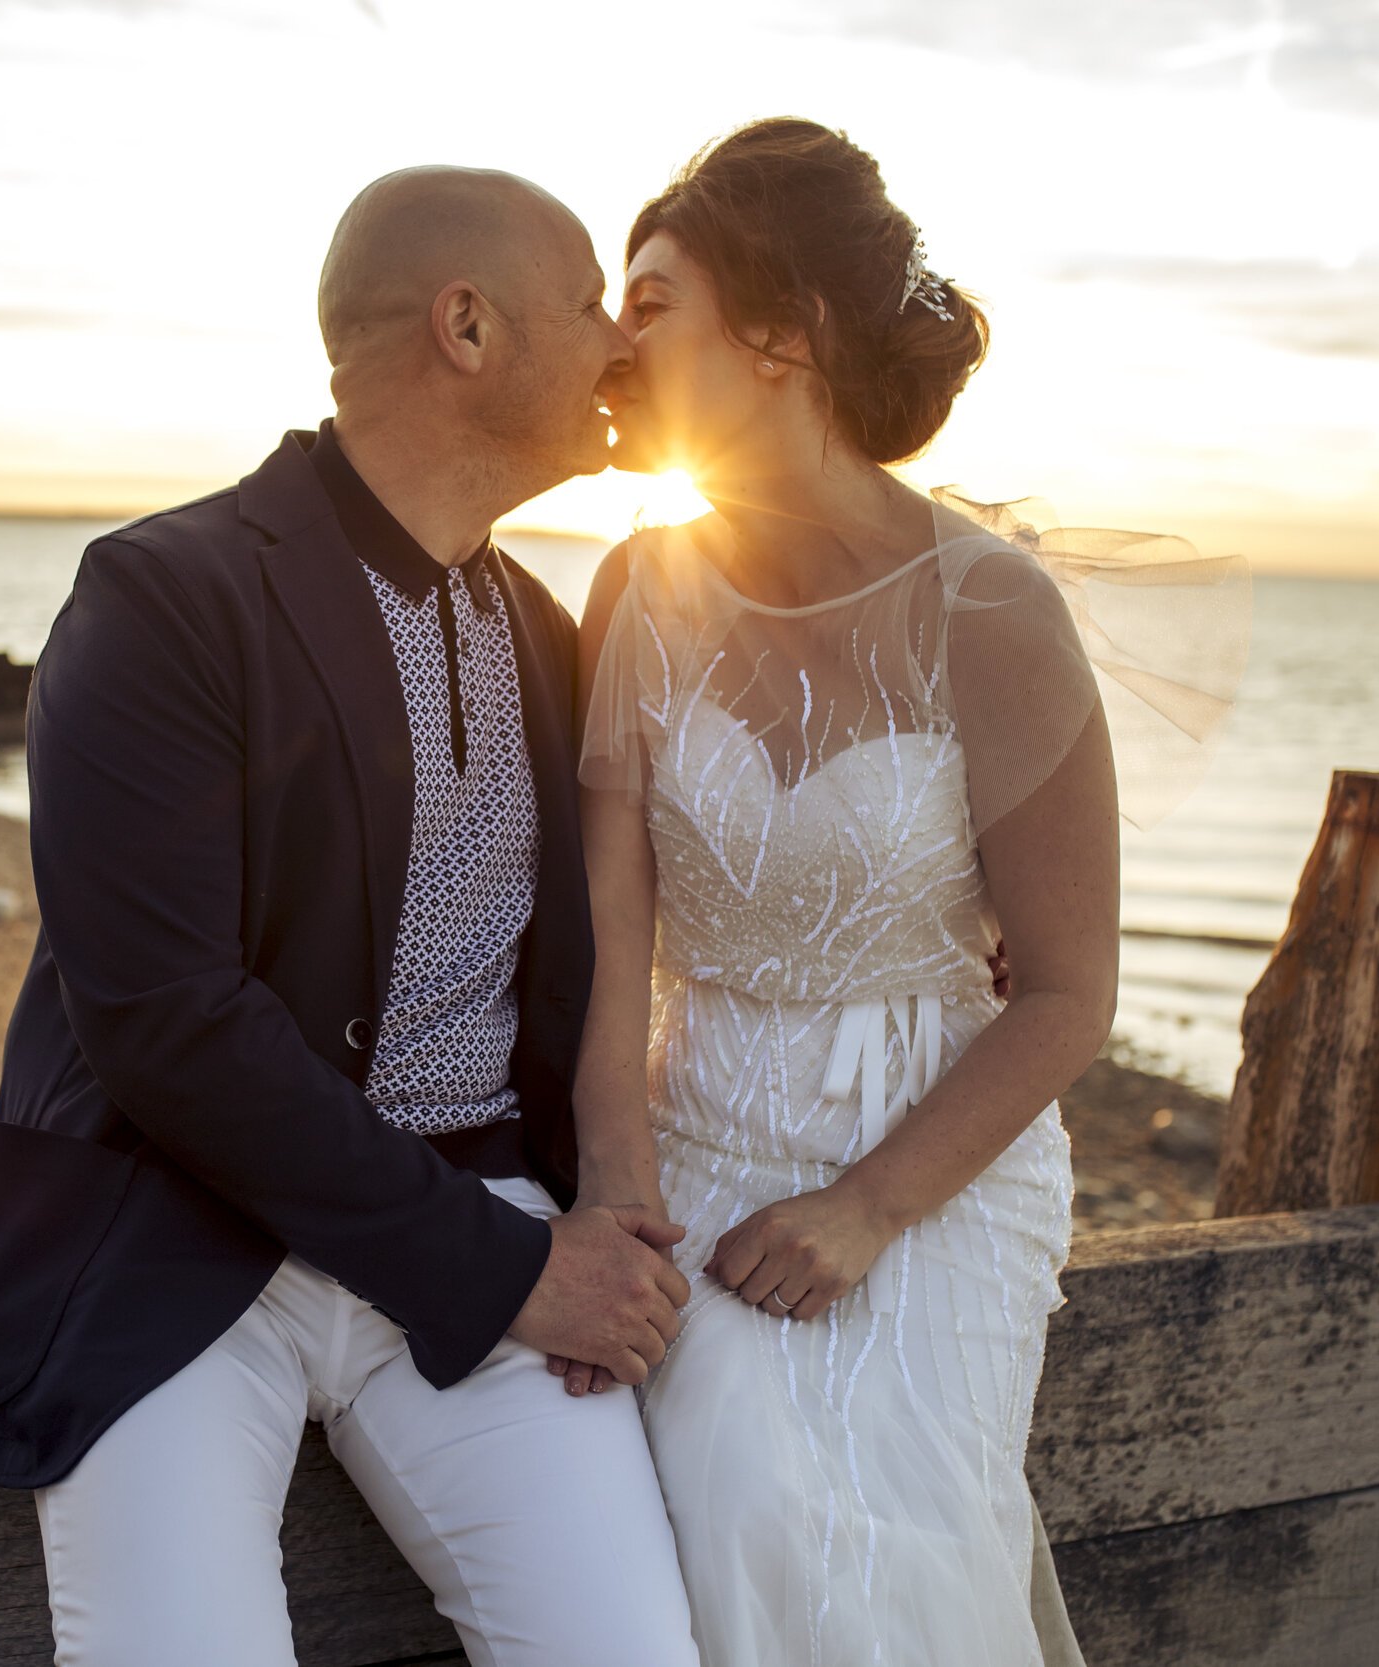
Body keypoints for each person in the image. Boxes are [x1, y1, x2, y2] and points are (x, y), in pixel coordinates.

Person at [0, 166, 705, 1667]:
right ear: (466, 325)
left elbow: (639, 906)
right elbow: (166, 1026)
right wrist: (509, 1273)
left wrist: (962, 921)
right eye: (586, 306)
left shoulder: (552, 636)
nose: (619, 348)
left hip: (485, 1233)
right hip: (181, 1242)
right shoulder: (163, 597)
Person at [569, 118, 1246, 1664]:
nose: (618, 338)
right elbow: (619, 931)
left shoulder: (988, 610)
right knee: (736, 1515)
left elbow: (1073, 995)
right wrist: (618, 1180)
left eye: (655, 299)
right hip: (696, 1134)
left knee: (895, 1565)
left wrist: (870, 1207)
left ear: (784, 333)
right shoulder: (636, 588)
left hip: (931, 1160)